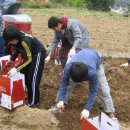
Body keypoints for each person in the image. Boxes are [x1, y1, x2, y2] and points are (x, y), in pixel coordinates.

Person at [56, 49, 116, 120]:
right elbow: (63, 84)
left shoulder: (92, 73)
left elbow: (93, 91)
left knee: (103, 89)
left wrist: (87, 109)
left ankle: (110, 111)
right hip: (81, 59)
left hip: (95, 60)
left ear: (85, 77)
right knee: (68, 85)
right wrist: (61, 100)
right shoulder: (68, 68)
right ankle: (59, 105)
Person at [3, 26, 46, 107]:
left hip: (37, 53)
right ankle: (30, 95)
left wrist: (15, 69)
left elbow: (29, 59)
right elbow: (18, 48)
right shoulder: (17, 40)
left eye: (10, 41)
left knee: (33, 77)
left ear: (16, 38)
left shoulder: (24, 41)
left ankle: (34, 102)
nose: (9, 43)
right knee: (24, 73)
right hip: (29, 54)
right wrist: (12, 59)